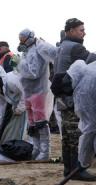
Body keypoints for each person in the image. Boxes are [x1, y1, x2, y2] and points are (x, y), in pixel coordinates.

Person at [54, 18, 96, 182]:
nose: (84, 33)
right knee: (75, 133)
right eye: (81, 30)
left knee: (67, 135)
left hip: (62, 94)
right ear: (70, 31)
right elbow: (91, 60)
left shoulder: (61, 46)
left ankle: (69, 169)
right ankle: (76, 170)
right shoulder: (75, 47)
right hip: (71, 95)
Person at [17, 29, 58, 161]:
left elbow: (33, 72)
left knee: (40, 121)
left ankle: (45, 151)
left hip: (38, 91)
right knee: (32, 123)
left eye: (22, 39)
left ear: (28, 38)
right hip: (28, 91)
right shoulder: (27, 52)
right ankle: (36, 149)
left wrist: (19, 64)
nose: (20, 42)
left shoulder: (37, 51)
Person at [0, 69, 27, 145]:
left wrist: (21, 108)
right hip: (16, 104)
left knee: (27, 128)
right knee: (12, 128)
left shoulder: (11, 81)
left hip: (32, 98)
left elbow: (25, 92)